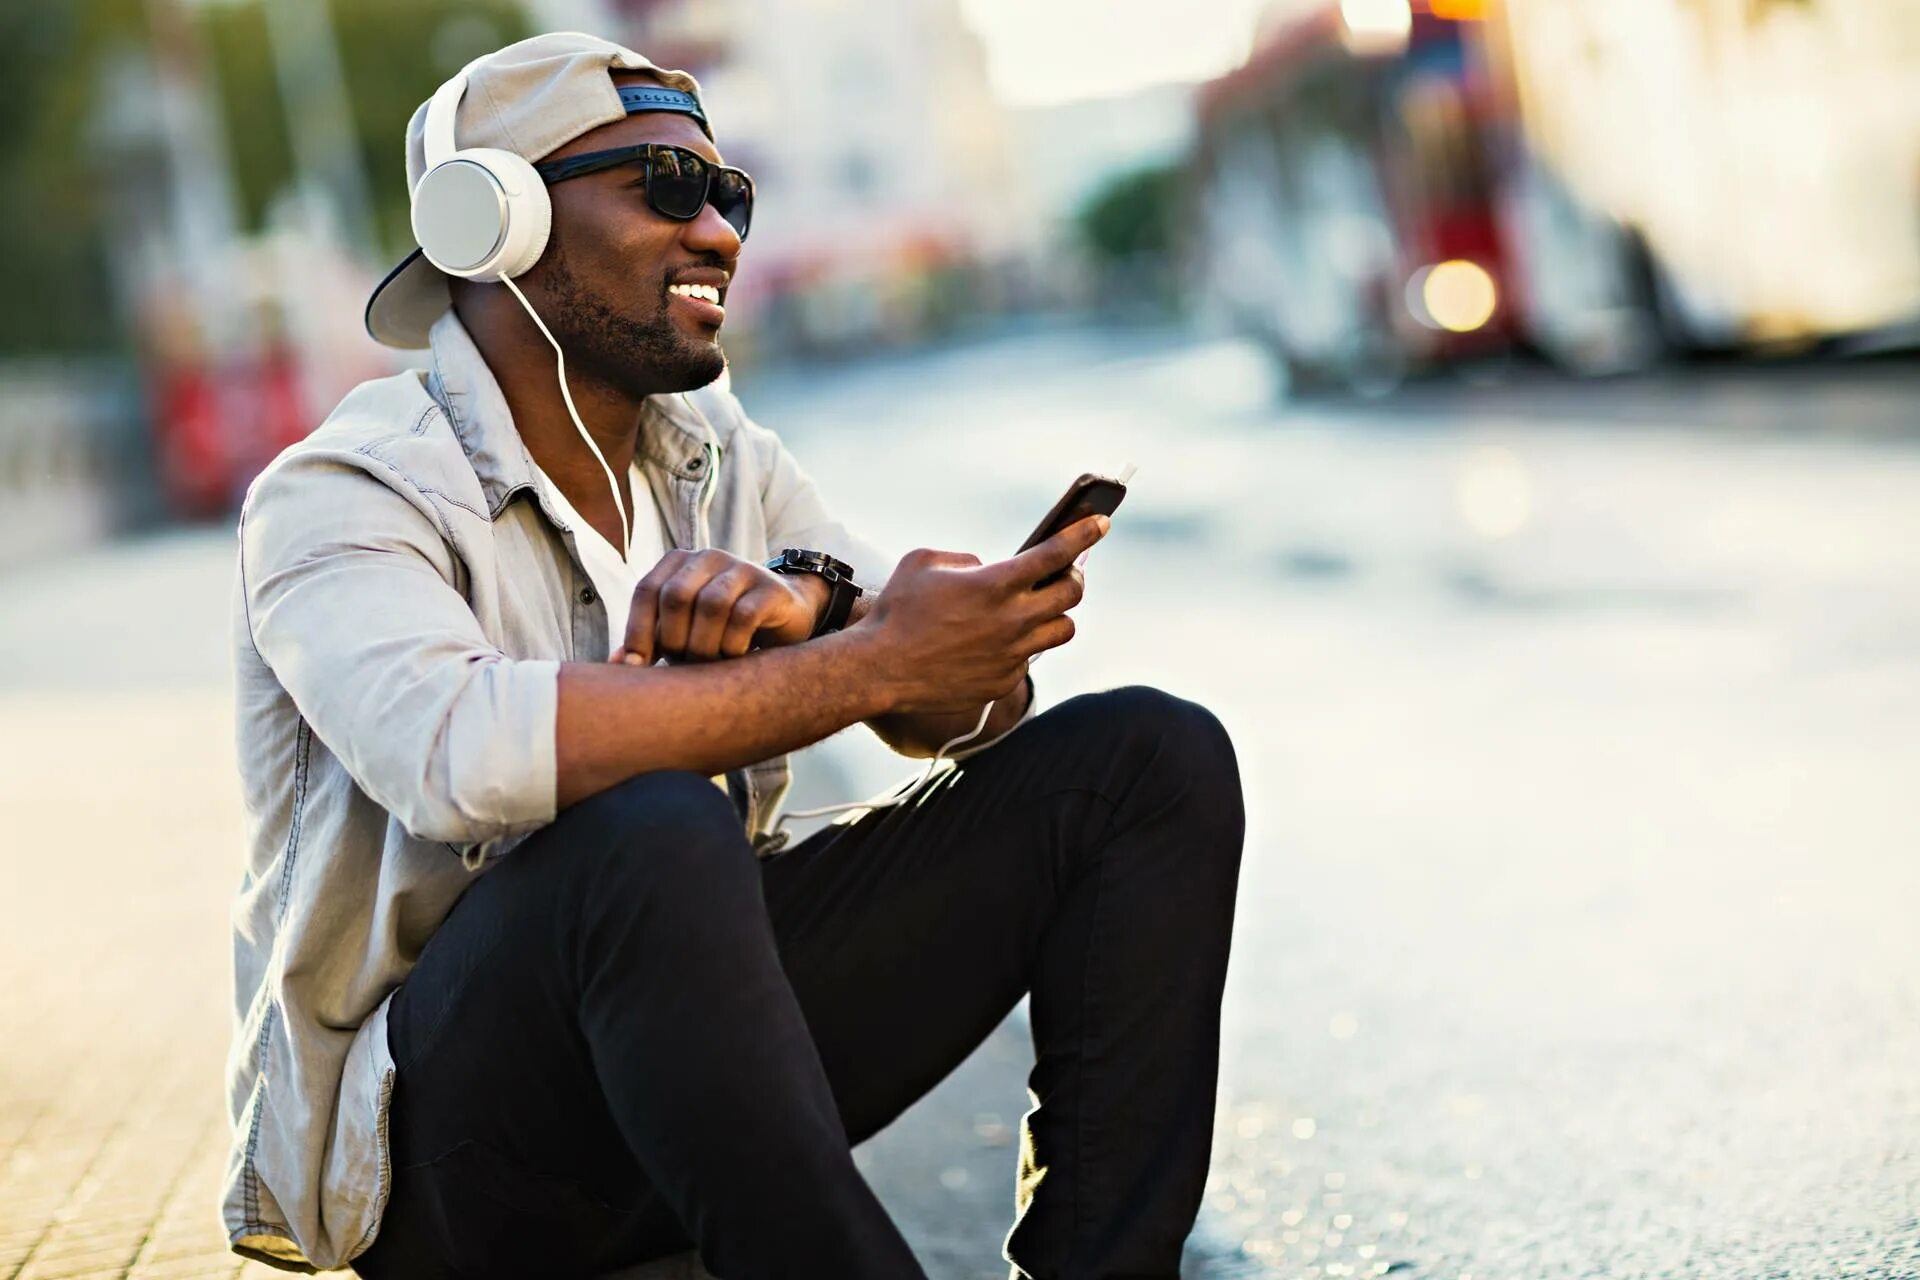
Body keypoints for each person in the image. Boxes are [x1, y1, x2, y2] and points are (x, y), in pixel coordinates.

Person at [220, 31, 1245, 1280]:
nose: (717, 231)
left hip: (701, 1074)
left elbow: (947, 701)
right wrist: (864, 667)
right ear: (487, 220)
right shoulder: (340, 491)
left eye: (729, 194)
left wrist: (901, 639)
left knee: (1147, 759)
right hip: (457, 1161)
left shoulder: (712, 448)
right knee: (645, 829)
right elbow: (459, 756)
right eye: (663, 184)